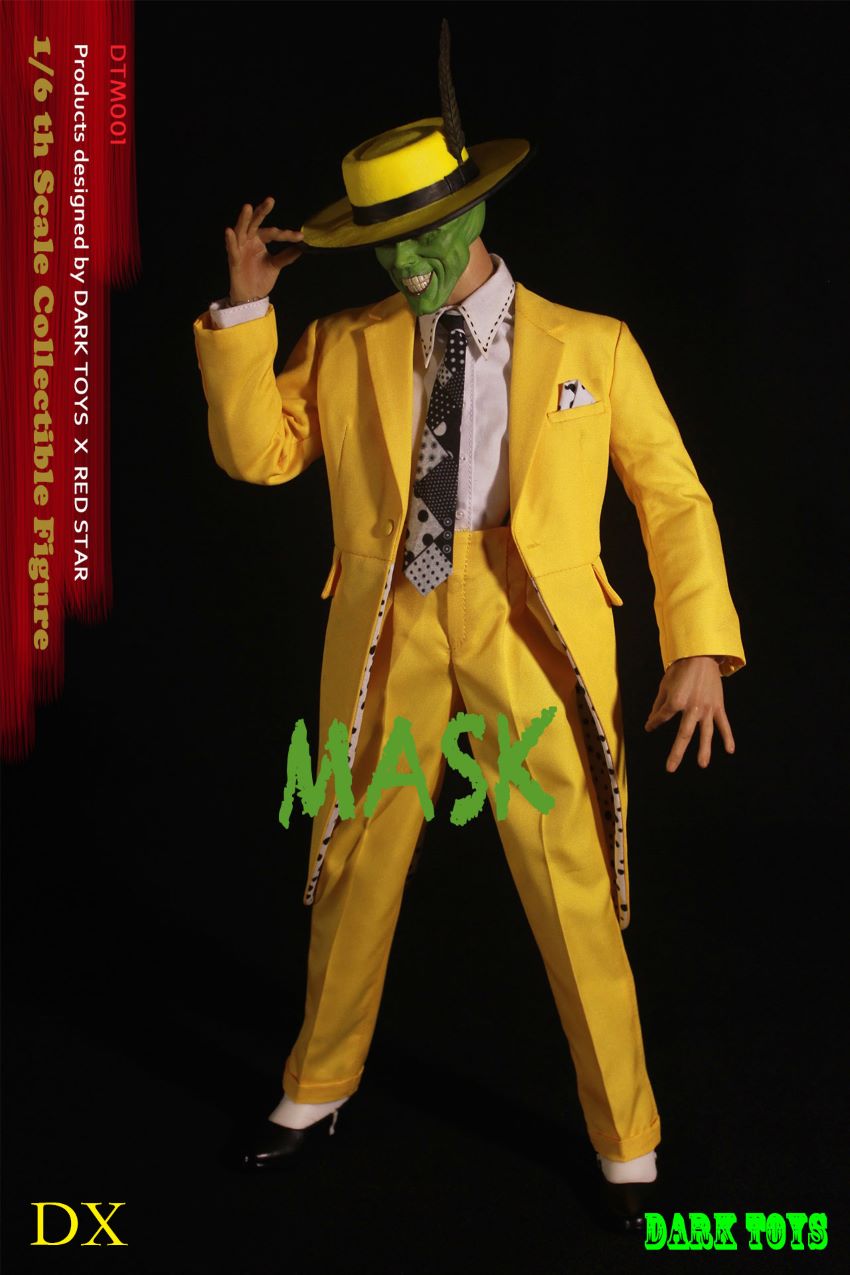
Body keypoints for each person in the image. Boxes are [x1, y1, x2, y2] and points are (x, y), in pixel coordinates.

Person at [192, 38, 745, 1234]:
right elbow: (258, 455)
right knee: (354, 859)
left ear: (476, 210)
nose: (407, 263)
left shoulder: (591, 346)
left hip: (526, 627)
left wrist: (696, 645)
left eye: (425, 235)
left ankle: (627, 1141)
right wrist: (246, 308)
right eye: (384, 244)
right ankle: (316, 1086)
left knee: (569, 882)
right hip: (392, 620)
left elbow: (671, 497)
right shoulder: (345, 343)